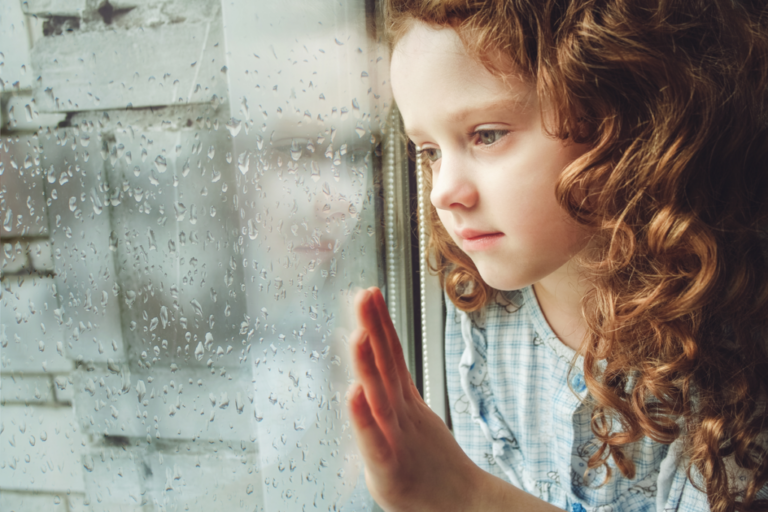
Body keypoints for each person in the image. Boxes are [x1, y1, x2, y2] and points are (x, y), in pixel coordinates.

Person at [346, 1, 768, 511]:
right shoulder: (482, 301)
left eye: (487, 135)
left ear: (622, 119)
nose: (442, 193)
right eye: (430, 152)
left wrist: (465, 497)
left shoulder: (723, 337)